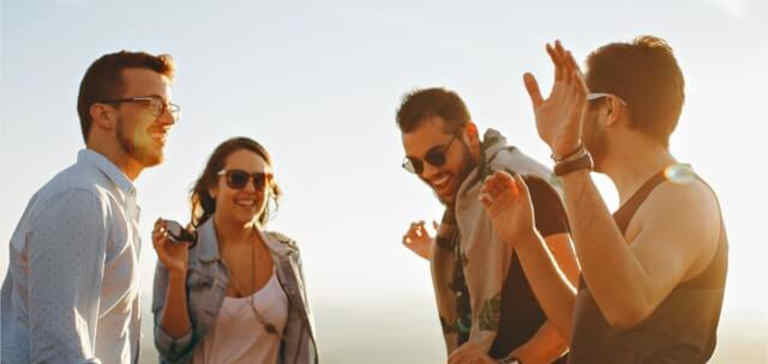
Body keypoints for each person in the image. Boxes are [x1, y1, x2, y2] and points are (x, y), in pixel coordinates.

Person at [474, 37, 728, 363]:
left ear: (609, 109)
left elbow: (627, 305)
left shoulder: (684, 196)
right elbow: (583, 332)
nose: (570, 117)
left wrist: (568, 158)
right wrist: (526, 238)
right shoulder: (637, 205)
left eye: (578, 103)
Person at [1, 51, 178, 363]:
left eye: (169, 107)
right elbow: (60, 354)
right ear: (104, 115)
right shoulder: (80, 198)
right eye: (153, 104)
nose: (168, 119)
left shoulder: (110, 201)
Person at [397, 88, 580, 364]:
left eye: (436, 156)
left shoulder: (524, 188)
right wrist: (436, 252)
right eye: (416, 164)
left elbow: (578, 314)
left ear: (470, 134)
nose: (429, 173)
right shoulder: (466, 206)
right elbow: (495, 270)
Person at [151, 137, 318, 364]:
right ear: (212, 187)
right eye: (237, 179)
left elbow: (300, 353)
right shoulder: (181, 251)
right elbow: (171, 348)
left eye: (260, 181)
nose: (250, 189)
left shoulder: (287, 256)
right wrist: (177, 273)